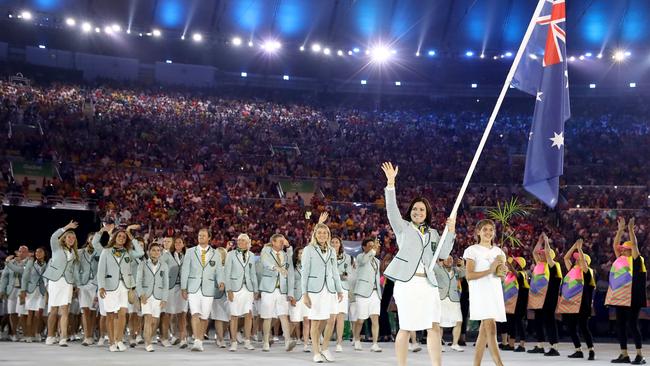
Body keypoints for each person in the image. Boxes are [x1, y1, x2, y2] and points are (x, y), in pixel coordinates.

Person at [381, 162, 455, 366]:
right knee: (405, 327)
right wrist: (390, 183)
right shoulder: (403, 228)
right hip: (407, 283)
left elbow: (445, 253)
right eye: (415, 209)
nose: (418, 212)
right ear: (410, 212)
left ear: (427, 213)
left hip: (428, 284)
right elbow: (391, 210)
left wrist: (451, 231)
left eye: (421, 209)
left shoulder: (433, 233)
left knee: (433, 326)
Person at [463, 219, 507, 366]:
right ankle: (500, 364)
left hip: (494, 292)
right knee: (491, 328)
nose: (488, 232)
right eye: (485, 229)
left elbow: (500, 277)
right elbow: (469, 275)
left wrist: (503, 272)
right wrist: (491, 269)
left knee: (484, 332)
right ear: (478, 232)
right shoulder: (472, 250)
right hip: (480, 293)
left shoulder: (499, 252)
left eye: (491, 230)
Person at [302, 217, 344, 363]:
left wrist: (339, 290)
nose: (322, 235)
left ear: (328, 235)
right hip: (315, 290)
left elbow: (335, 271)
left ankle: (325, 348)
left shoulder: (332, 250)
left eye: (325, 233)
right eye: (319, 233)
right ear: (315, 234)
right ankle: (316, 352)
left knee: (331, 319)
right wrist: (304, 294)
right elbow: (304, 273)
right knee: (316, 322)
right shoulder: (308, 250)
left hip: (330, 289)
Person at [96, 224, 145, 352]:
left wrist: (130, 235)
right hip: (109, 287)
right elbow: (101, 271)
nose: (122, 238)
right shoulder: (106, 251)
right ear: (115, 237)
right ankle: (111, 342)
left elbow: (141, 252)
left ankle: (119, 340)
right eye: (120, 236)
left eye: (124, 237)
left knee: (123, 314)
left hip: (125, 287)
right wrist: (101, 287)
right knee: (111, 315)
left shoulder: (128, 252)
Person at [607, 217, 646, 365]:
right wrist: (620, 230)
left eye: (625, 249)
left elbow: (634, 245)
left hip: (632, 297)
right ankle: (624, 354)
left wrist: (630, 230)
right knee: (620, 326)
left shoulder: (637, 259)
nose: (622, 249)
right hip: (620, 297)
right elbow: (615, 245)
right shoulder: (621, 259)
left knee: (633, 325)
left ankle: (639, 355)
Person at [180, 228, 225, 352]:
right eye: (199, 235)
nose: (201, 237)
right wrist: (184, 287)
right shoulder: (190, 252)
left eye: (203, 235)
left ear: (209, 237)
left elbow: (219, 270)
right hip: (193, 287)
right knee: (195, 313)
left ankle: (199, 339)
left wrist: (221, 281)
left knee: (204, 317)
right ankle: (197, 341)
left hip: (209, 288)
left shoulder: (215, 253)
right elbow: (185, 270)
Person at [43, 221, 81, 346]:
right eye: (69, 237)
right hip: (55, 281)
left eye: (73, 237)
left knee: (65, 309)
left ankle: (63, 337)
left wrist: (77, 285)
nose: (71, 239)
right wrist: (66, 227)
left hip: (67, 283)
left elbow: (74, 271)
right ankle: (50, 335)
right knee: (53, 310)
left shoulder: (74, 253)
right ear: (64, 238)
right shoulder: (56, 247)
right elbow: (53, 236)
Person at [557, 238, 595, 360]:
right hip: (569, 303)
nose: (577, 259)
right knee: (571, 328)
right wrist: (574, 245)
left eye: (579, 258)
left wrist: (580, 249)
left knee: (583, 327)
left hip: (582, 304)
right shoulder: (572, 270)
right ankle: (578, 349)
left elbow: (583, 263)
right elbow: (566, 258)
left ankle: (591, 350)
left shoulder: (587, 271)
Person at [259, 234, 296, 352]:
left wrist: (290, 292)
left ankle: (287, 341)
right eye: (280, 241)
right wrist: (276, 268)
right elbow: (265, 262)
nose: (282, 243)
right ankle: (265, 341)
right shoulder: (266, 251)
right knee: (267, 316)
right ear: (273, 242)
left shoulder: (285, 255)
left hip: (282, 290)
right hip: (268, 289)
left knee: (283, 315)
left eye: (283, 241)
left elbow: (290, 274)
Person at [526, 233, 562, 356]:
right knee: (538, 321)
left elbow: (546, 254)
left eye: (543, 254)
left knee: (550, 321)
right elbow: (534, 252)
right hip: (538, 298)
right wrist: (540, 240)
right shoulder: (539, 265)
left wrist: (546, 242)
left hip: (548, 297)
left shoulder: (553, 265)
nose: (540, 255)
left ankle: (554, 347)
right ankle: (540, 345)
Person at [224, 233, 258, 352]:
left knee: (249, 315)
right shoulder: (231, 254)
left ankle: (247, 341)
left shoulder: (252, 255)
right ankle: (233, 342)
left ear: (248, 242)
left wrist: (255, 289)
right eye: (239, 240)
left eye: (243, 240)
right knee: (234, 315)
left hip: (248, 289)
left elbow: (253, 273)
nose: (240, 242)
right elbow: (226, 273)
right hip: (234, 288)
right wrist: (228, 290)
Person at [136, 242, 169, 352]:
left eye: (158, 250)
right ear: (149, 252)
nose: (156, 252)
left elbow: (166, 284)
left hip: (158, 296)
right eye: (153, 250)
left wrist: (164, 299)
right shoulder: (143, 264)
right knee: (148, 319)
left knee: (154, 321)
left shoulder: (164, 265)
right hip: (146, 296)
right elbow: (138, 281)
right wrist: (141, 294)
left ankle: (148, 337)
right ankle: (148, 343)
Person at [433, 256, 465, 352]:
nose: (450, 260)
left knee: (458, 321)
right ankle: (439, 344)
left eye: (451, 259)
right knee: (440, 323)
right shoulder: (438, 269)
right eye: (447, 258)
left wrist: (463, 265)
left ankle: (455, 344)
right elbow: (431, 266)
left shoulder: (456, 270)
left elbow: (465, 274)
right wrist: (438, 261)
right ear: (442, 260)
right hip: (441, 298)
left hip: (454, 299)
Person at [162, 236, 188, 348]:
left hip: (182, 288)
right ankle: (164, 338)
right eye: (176, 242)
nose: (177, 244)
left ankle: (183, 338)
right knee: (168, 314)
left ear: (183, 244)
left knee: (182, 313)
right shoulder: (167, 255)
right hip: (170, 288)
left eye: (180, 242)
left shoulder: (187, 256)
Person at [20, 247, 48, 342]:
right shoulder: (30, 263)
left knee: (38, 313)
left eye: (40, 251)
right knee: (30, 313)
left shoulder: (47, 264)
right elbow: (24, 277)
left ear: (44, 254)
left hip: (41, 291)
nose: (37, 253)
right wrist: (23, 291)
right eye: (36, 252)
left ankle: (36, 333)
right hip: (31, 291)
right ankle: (29, 335)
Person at [2, 246, 29, 342]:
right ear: (17, 252)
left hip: (22, 290)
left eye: (24, 251)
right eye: (20, 251)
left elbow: (21, 271)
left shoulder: (29, 262)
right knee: (12, 312)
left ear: (27, 253)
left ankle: (24, 332)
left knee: (20, 312)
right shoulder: (11, 263)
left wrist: (7, 262)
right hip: (11, 290)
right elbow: (4, 277)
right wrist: (2, 290)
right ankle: (13, 333)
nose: (22, 253)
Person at [503, 256, 529, 352]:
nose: (512, 263)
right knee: (511, 323)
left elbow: (517, 276)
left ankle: (522, 345)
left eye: (514, 262)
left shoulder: (522, 274)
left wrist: (510, 266)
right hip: (510, 303)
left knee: (519, 323)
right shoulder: (509, 275)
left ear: (518, 265)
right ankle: (511, 344)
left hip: (519, 303)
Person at [331, 236, 352, 352]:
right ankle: (323, 338)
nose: (334, 244)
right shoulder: (326, 256)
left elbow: (347, 274)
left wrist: (337, 276)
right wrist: (339, 275)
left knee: (340, 316)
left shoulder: (347, 257)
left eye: (336, 242)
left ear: (340, 244)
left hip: (343, 288)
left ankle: (339, 342)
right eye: (332, 242)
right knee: (330, 316)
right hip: (330, 288)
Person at [78, 233, 99, 346]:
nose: (93, 241)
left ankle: (91, 334)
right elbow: (76, 268)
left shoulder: (100, 252)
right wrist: (77, 284)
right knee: (85, 311)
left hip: (95, 284)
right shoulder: (80, 252)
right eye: (91, 238)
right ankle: (87, 336)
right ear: (88, 240)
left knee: (92, 312)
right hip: (83, 284)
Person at [289, 247, 311, 353]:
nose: (302, 255)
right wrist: (291, 296)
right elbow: (290, 282)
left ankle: (306, 344)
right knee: (294, 322)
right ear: (296, 255)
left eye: (303, 253)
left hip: (307, 296)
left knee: (307, 320)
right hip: (296, 296)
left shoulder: (310, 266)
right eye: (300, 253)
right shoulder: (292, 267)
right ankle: (287, 340)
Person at [209, 246, 230, 348]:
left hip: (227, 295)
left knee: (226, 319)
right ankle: (220, 339)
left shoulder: (228, 266)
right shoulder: (211, 266)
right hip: (216, 294)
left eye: (221, 254)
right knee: (218, 317)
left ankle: (221, 335)